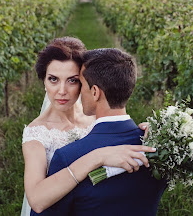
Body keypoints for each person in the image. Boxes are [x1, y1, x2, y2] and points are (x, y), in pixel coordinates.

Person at [21, 37, 155, 216]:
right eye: (53, 79)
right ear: (44, 81)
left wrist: (145, 131)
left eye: (72, 80)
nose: (62, 90)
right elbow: (37, 201)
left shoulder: (96, 114)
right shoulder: (36, 133)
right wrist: (97, 157)